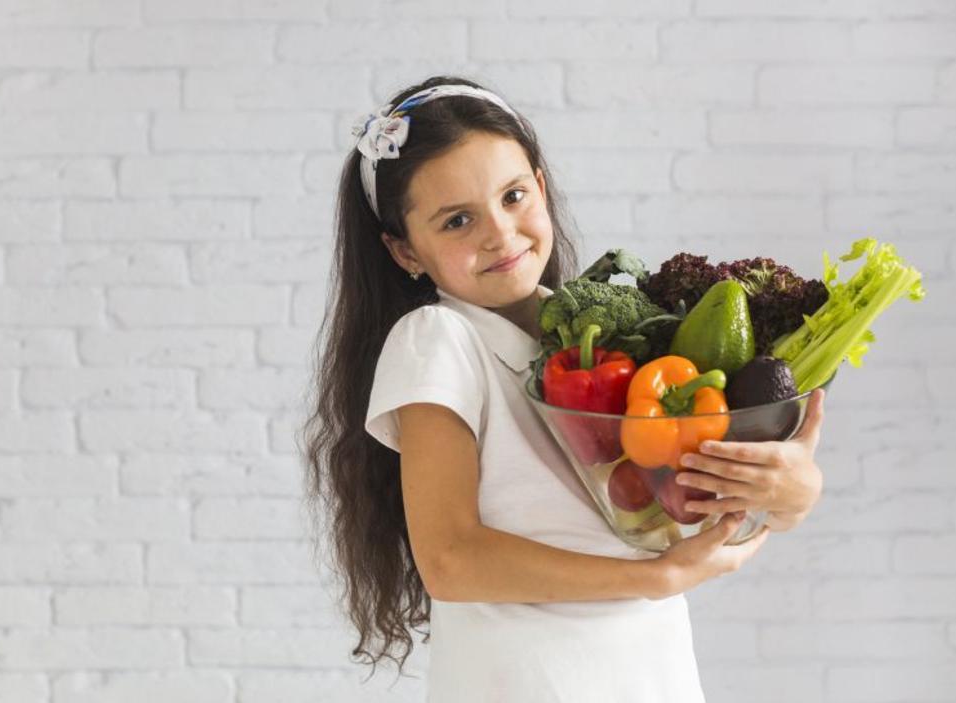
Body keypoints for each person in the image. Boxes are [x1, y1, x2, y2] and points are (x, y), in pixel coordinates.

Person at [301, 75, 827, 702]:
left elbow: (679, 498)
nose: (499, 234)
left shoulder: (613, 340)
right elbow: (450, 559)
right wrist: (657, 578)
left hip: (650, 669)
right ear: (405, 251)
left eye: (513, 196)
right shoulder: (438, 338)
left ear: (541, 187)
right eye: (457, 220)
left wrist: (791, 494)